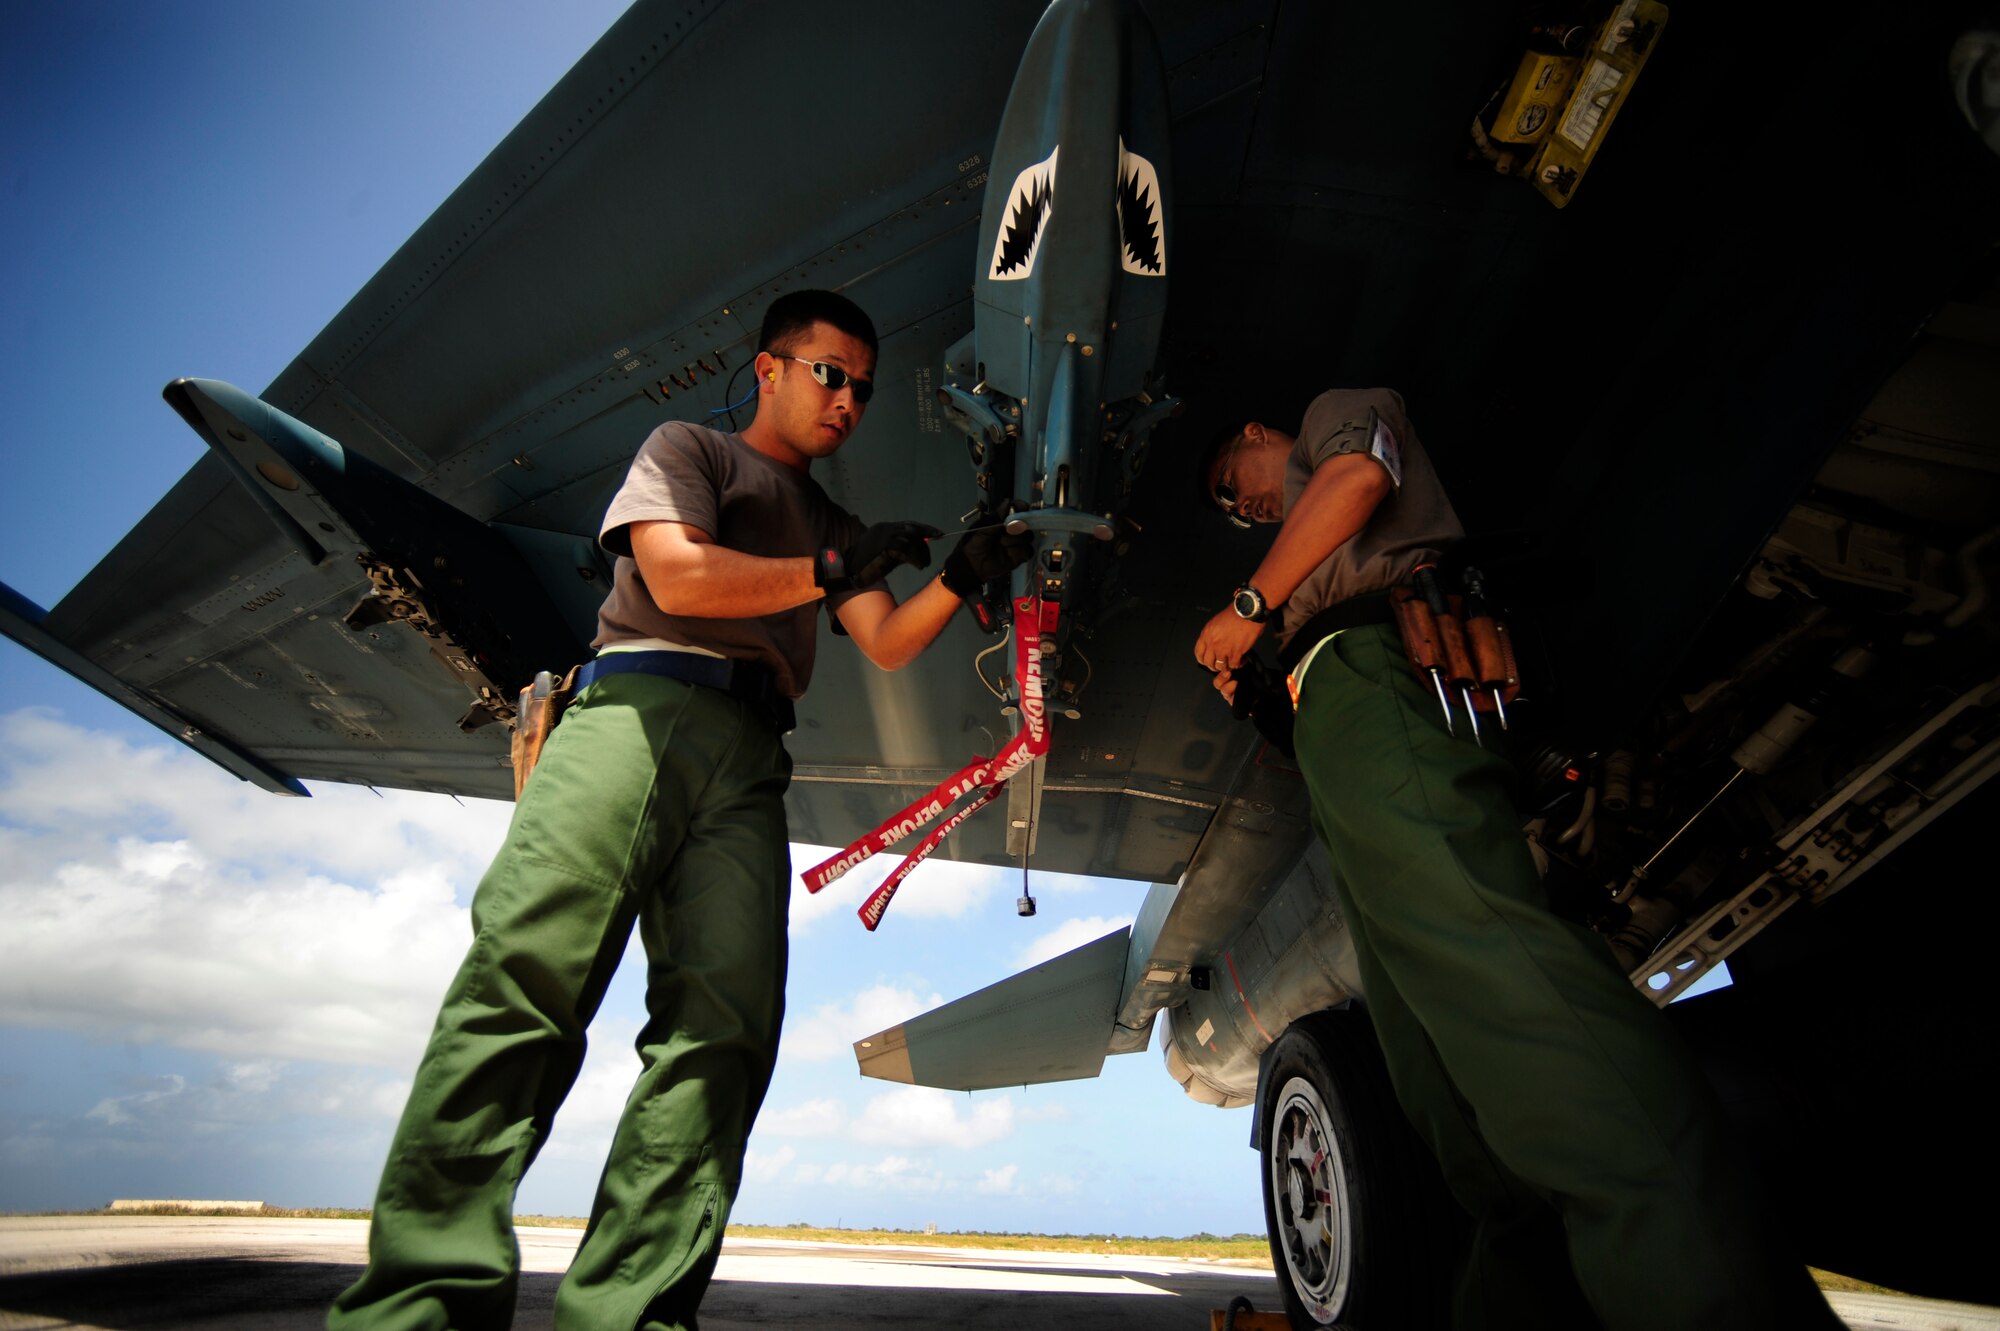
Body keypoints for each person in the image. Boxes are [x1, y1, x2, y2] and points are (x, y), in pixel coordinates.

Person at [331, 289, 1028, 1331]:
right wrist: (827, 567)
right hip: (632, 709)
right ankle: (417, 1304)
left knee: (725, 1028)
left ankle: (630, 1312)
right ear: (770, 370)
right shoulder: (688, 448)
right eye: (828, 373)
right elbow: (679, 575)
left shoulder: (832, 522)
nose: (847, 399)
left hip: (750, 756)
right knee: (525, 975)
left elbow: (882, 640)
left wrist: (958, 576)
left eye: (864, 388)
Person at [1192, 387, 1841, 1331]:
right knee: (1441, 1082)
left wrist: (1252, 602)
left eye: (1231, 482)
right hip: (1340, 730)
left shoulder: (1338, 415)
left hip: (1384, 676)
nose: (1239, 506)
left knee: (1503, 978)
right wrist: (1259, 686)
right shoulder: (1304, 573)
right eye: (1231, 509)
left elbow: (1359, 475)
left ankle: (1704, 1283)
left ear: (1258, 435)